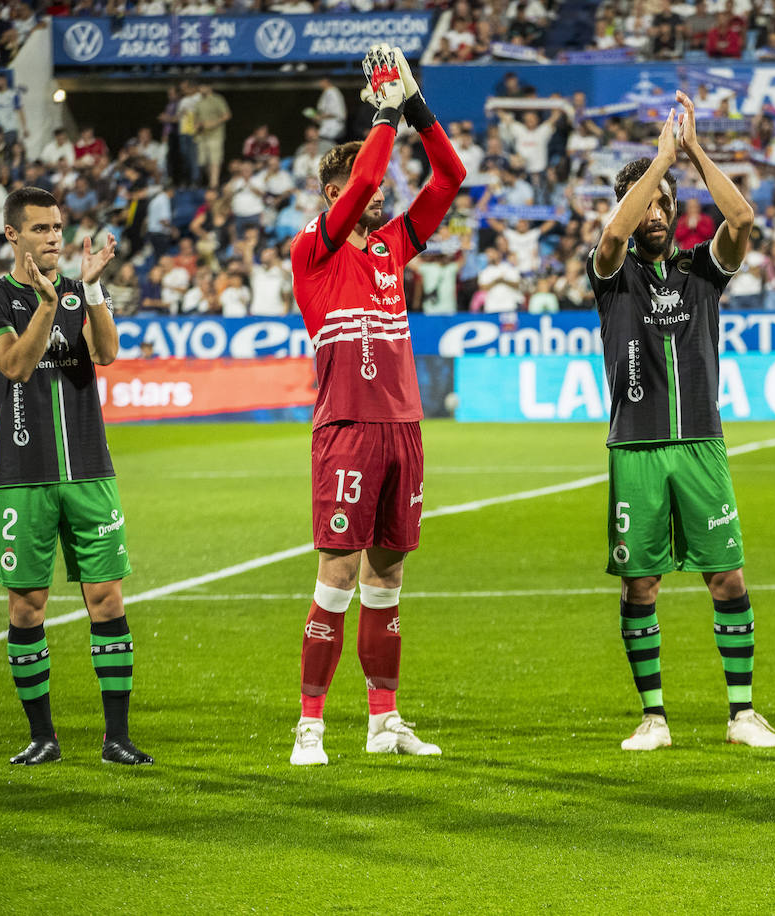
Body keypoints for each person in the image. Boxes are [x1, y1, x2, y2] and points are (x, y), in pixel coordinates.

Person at [287, 44, 466, 766]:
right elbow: (367, 177)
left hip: (403, 429)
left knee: (386, 579)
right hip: (346, 430)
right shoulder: (314, 251)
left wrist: (415, 106)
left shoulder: (393, 244)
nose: (382, 191)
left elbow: (452, 175)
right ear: (332, 196)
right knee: (336, 579)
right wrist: (382, 114)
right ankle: (310, 725)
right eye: (362, 185)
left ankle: (384, 722)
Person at [589, 92, 775, 752]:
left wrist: (691, 152)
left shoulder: (701, 269)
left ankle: (742, 714)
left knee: (726, 577)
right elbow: (613, 235)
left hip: (701, 442)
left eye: (665, 203)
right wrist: (653, 170)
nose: (656, 213)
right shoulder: (610, 273)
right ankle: (654, 717)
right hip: (637, 446)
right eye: (647, 202)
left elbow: (744, 217)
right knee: (640, 583)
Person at [0, 187, 152, 766]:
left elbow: (106, 355)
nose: (54, 236)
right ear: (12, 236)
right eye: (40, 228)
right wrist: (48, 305)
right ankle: (43, 736)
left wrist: (93, 290)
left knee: (106, 599)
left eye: (57, 226)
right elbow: (16, 366)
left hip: (89, 472)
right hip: (23, 476)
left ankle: (117, 738)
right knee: (27, 608)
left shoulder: (81, 294)